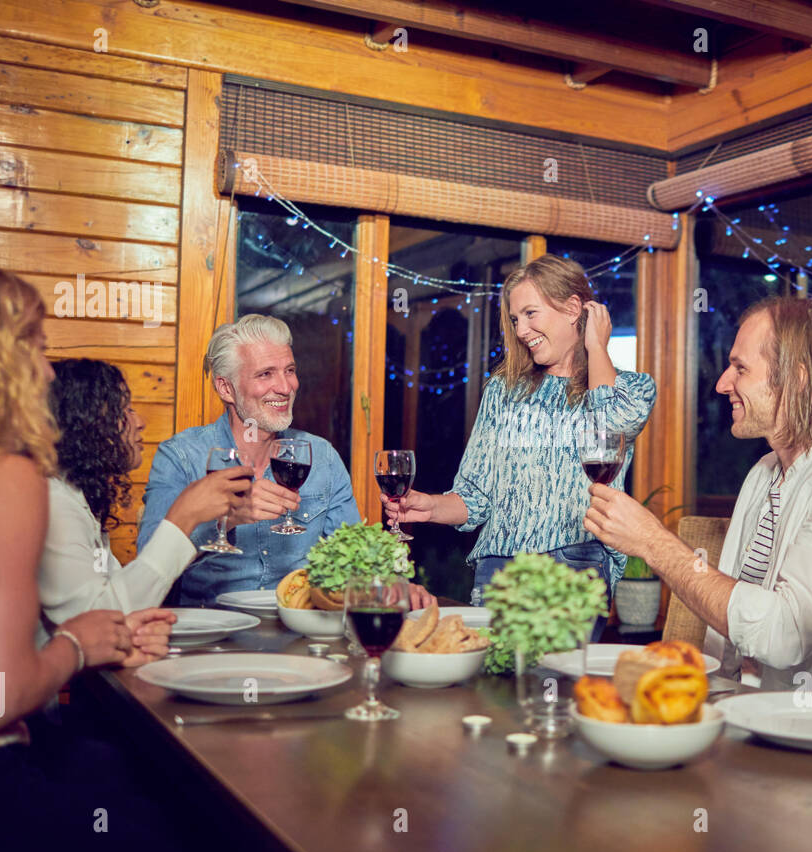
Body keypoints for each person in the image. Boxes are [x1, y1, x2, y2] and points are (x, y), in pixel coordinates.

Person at [0, 263, 184, 852]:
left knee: (113, 775)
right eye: (34, 342)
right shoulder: (4, 478)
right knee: (179, 836)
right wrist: (76, 645)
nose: (46, 367)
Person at [585, 295, 812, 685]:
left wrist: (652, 543)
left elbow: (785, 636)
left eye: (740, 369)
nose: (722, 384)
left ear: (796, 380)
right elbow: (731, 642)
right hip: (746, 710)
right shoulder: (764, 472)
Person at [382, 254, 657, 604]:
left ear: (573, 309)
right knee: (493, 662)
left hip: (573, 566)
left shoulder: (633, 389)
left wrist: (595, 346)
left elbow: (611, 423)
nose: (521, 330)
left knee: (554, 663)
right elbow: (475, 496)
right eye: (515, 319)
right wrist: (428, 507)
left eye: (530, 314)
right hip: (497, 569)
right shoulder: (502, 391)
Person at [139, 314, 433, 608]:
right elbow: (150, 571)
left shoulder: (322, 458)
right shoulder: (180, 457)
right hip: (213, 636)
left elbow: (356, 562)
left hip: (303, 633)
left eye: (289, 370)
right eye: (265, 374)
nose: (285, 387)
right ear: (225, 388)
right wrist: (226, 519)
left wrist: (389, 585)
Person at [39, 358, 251, 637]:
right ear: (85, 424)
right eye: (124, 410)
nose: (140, 422)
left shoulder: (80, 499)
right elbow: (97, 620)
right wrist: (182, 517)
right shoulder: (53, 504)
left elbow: (116, 599)